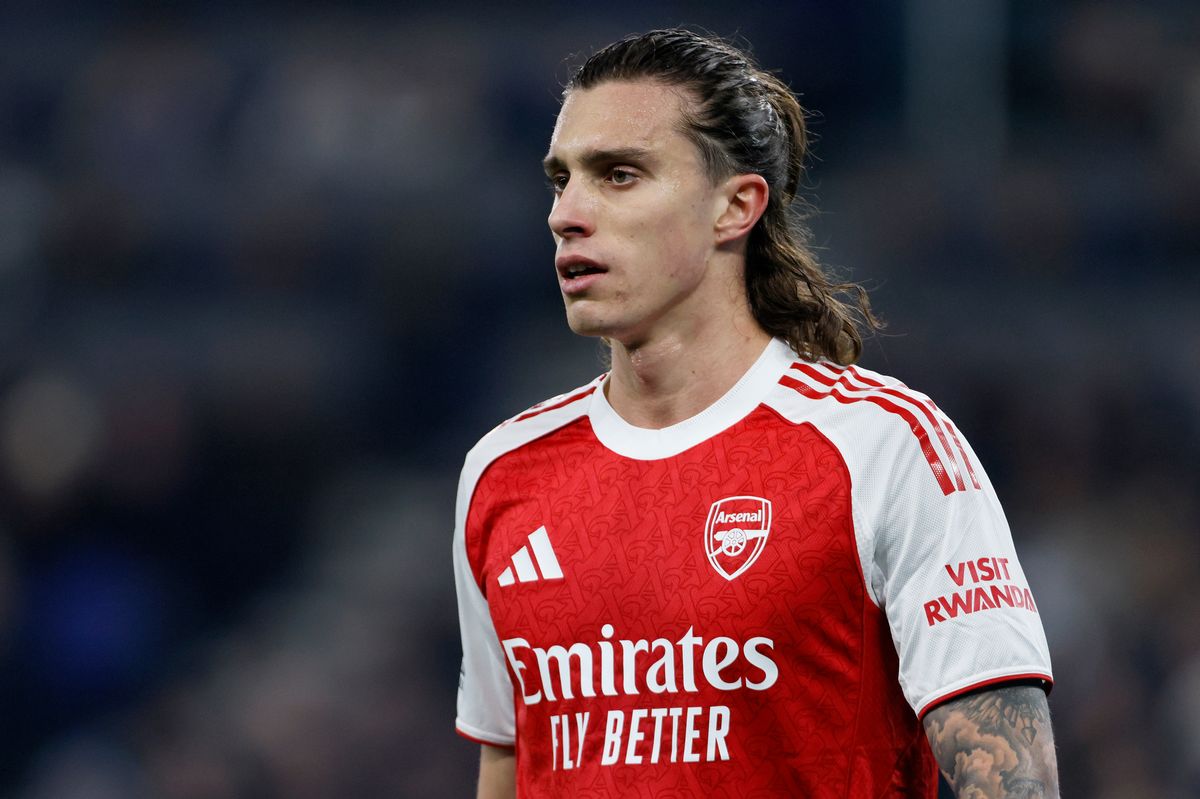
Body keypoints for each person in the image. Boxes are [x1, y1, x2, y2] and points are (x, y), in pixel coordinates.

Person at [453, 28, 1057, 798]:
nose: (566, 213)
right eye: (561, 180)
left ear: (735, 206)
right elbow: (508, 765)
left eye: (619, 175)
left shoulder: (883, 447)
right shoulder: (503, 473)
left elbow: (1013, 776)